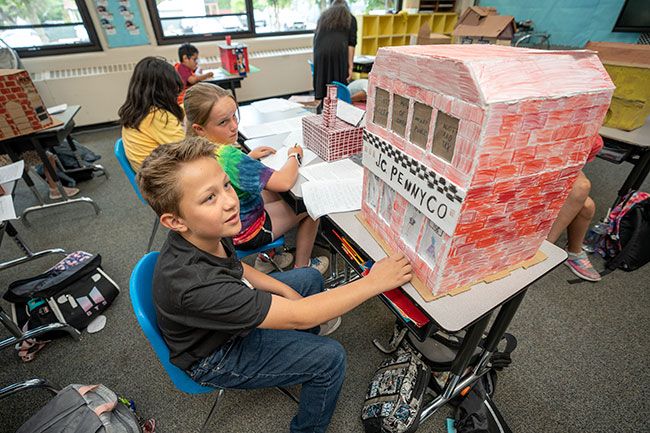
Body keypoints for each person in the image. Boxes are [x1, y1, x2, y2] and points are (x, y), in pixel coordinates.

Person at [136, 137, 412, 433]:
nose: (230, 201)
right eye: (209, 198)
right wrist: (374, 282)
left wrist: (284, 291)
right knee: (330, 357)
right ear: (175, 221)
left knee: (309, 277)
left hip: (224, 316)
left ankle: (301, 348)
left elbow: (235, 266)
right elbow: (300, 314)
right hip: (215, 355)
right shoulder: (197, 284)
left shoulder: (206, 229)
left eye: (226, 185)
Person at [184, 82, 328, 274]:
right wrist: (294, 156)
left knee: (271, 192)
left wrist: (249, 159)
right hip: (246, 232)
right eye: (223, 122)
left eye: (234, 115)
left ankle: (268, 258)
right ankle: (303, 267)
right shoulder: (230, 156)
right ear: (200, 129)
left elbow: (228, 172)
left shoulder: (197, 149)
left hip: (224, 227)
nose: (234, 125)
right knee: (310, 206)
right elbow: (284, 182)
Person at [546, 137, 604, 282]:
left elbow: (575, 169)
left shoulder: (593, 141)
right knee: (581, 189)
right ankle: (546, 246)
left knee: (587, 206)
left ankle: (573, 252)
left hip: (557, 173)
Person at [118, 57, 185, 171]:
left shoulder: (139, 111)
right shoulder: (157, 116)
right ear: (163, 91)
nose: (176, 92)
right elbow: (187, 151)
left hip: (149, 176)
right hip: (165, 181)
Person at [312, 0, 357, 101]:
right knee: (337, 82)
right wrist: (350, 66)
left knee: (322, 81)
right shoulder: (350, 18)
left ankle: (322, 107)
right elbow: (351, 44)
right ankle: (337, 106)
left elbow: (316, 38)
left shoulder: (323, 17)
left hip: (320, 52)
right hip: (338, 52)